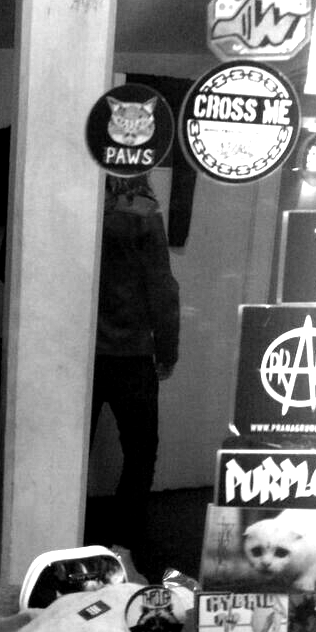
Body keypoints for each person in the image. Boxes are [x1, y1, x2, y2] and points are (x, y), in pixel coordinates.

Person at [89, 174, 180, 584]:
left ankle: (57, 543)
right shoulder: (142, 211)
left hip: (76, 352)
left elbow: (9, 267)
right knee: (141, 454)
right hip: (132, 355)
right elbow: (162, 287)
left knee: (66, 452)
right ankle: (121, 551)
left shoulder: (70, 202)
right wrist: (168, 349)